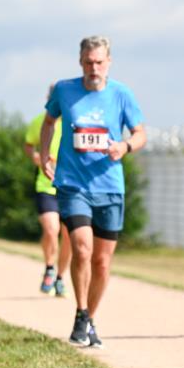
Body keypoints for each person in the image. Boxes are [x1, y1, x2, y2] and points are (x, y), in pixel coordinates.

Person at [40, 35, 146, 349]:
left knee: (101, 261)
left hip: (110, 187)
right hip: (73, 185)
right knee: (82, 248)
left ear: (108, 62)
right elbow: (48, 122)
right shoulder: (64, 90)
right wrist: (45, 155)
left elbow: (140, 133)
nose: (93, 68)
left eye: (99, 62)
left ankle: (90, 320)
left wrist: (125, 146)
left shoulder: (121, 94)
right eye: (88, 62)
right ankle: (81, 311)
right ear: (80, 62)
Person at [25, 86, 71, 296]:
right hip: (46, 185)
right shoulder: (40, 122)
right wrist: (36, 156)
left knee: (69, 236)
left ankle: (60, 277)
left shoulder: (73, 123)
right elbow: (29, 145)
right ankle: (50, 268)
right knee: (52, 230)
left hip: (70, 187)